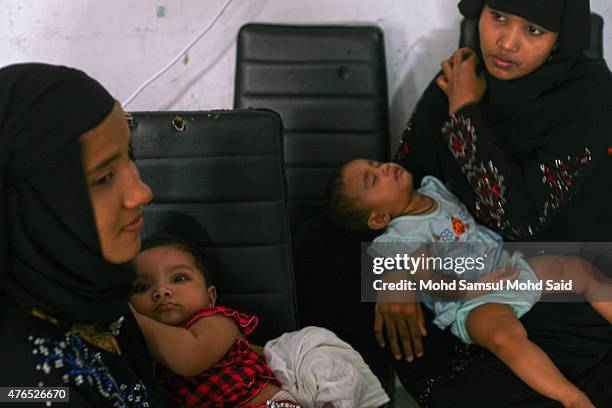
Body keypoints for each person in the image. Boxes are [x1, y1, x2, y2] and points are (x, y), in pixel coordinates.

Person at [386, 0, 612, 406]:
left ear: (560, 38)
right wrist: (393, 274)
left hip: (567, 287)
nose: (506, 43)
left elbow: (519, 220)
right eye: (499, 18)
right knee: (326, 238)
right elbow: (403, 188)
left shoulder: (590, 92)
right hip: (470, 291)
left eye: (533, 30)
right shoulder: (459, 75)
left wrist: (464, 112)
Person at [328, 157, 612, 408]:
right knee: (504, 336)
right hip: (472, 302)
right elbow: (430, 282)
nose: (385, 167)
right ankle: (571, 398)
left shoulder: (433, 188)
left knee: (580, 269)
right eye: (374, 179)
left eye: (377, 164)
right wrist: (473, 289)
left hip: (508, 267)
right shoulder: (401, 237)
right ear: (378, 218)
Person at [0, 63, 167, 406]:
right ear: (33, 203)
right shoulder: (31, 388)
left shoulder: (86, 284)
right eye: (103, 178)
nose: (141, 192)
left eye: (130, 156)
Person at [129, 235, 389, 408]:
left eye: (178, 279)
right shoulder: (145, 346)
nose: (161, 291)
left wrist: (128, 315)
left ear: (210, 297)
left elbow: (189, 356)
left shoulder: (215, 321)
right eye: (142, 286)